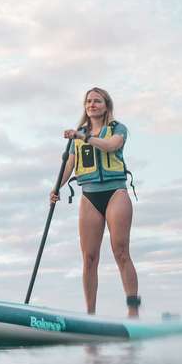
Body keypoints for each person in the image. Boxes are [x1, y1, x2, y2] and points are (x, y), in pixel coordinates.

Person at [51, 87, 139, 317]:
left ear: (106, 105)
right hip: (89, 195)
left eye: (97, 101)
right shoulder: (77, 137)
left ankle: (133, 312)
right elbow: (69, 167)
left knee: (120, 251)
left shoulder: (118, 129)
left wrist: (84, 136)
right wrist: (55, 188)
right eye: (88, 101)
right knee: (89, 258)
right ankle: (90, 314)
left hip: (115, 193)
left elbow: (111, 146)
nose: (92, 105)